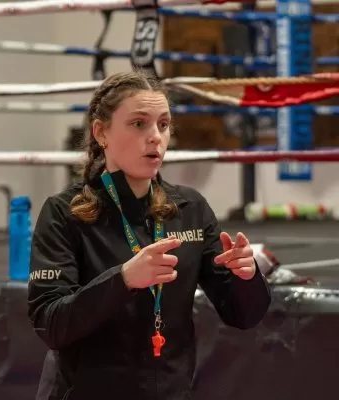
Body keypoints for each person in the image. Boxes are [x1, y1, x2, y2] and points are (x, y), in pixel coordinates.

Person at [27, 70, 271, 400]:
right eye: (139, 123)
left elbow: (243, 315)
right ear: (101, 132)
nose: (155, 136)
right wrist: (124, 279)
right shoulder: (63, 213)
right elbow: (50, 325)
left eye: (163, 124)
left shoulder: (190, 208)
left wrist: (247, 275)